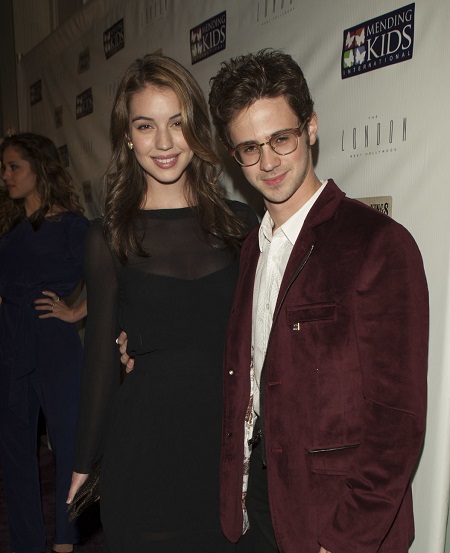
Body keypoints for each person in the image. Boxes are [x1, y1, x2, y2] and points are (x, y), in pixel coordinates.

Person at [206, 49, 429, 553]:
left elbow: (397, 422)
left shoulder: (376, 244)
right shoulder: (250, 248)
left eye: (280, 139)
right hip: (260, 504)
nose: (267, 163)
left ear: (310, 127)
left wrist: (344, 541)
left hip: (337, 522)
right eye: (248, 148)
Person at [67, 53, 257, 552]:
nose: (165, 142)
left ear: (196, 127)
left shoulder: (241, 225)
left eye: (177, 123)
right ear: (128, 136)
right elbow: (102, 362)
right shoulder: (108, 235)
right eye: (146, 126)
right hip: (145, 451)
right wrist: (83, 464)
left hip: (225, 456)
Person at [0, 133, 89, 553]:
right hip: (11, 345)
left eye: (13, 167)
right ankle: (27, 544)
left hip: (54, 345)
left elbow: (110, 276)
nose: (6, 177)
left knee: (67, 444)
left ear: (39, 169)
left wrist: (75, 311)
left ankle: (66, 540)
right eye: (3, 168)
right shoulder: (9, 229)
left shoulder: (72, 226)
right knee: (15, 450)